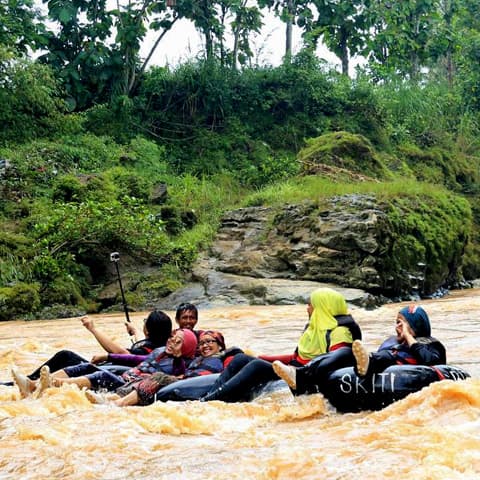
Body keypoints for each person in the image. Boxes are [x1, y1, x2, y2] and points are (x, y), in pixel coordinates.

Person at [201, 288, 361, 402]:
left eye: (310, 304)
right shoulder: (314, 327)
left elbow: (336, 360)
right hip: (293, 369)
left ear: (323, 307)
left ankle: (212, 401)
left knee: (256, 366)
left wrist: (300, 372)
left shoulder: (340, 331)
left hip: (306, 376)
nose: (308, 308)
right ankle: (209, 396)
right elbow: (296, 358)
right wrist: (262, 357)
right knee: (240, 359)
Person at [2, 310, 172, 389]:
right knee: (68, 358)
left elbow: (124, 354)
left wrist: (92, 328)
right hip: (110, 368)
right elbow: (138, 347)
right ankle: (30, 382)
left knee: (66, 356)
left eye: (145, 322)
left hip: (110, 371)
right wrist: (134, 332)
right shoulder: (155, 343)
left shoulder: (154, 350)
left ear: (149, 329)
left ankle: (25, 383)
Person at [12, 327, 197, 399]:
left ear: (186, 347)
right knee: (86, 366)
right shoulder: (159, 352)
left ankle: (53, 383)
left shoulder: (181, 363)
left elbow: (177, 377)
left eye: (178, 341)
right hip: (125, 376)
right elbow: (133, 358)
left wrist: (179, 358)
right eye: (172, 337)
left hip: (130, 387)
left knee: (100, 375)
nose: (172, 341)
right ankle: (33, 385)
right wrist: (107, 356)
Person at [96, 330, 227, 406]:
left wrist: (178, 369)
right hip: (183, 381)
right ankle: (113, 398)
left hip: (191, 386)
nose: (205, 346)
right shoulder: (198, 359)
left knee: (159, 376)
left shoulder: (217, 361)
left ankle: (120, 404)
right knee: (150, 376)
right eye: (202, 343)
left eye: (210, 342)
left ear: (220, 345)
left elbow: (202, 378)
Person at [352, 304, 446, 378]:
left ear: (415, 326)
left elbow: (431, 362)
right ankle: (367, 361)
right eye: (397, 322)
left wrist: (408, 336)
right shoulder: (395, 345)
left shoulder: (432, 345)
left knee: (389, 357)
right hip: (393, 368)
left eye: (401, 323)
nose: (397, 326)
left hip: (417, 374)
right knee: (385, 356)